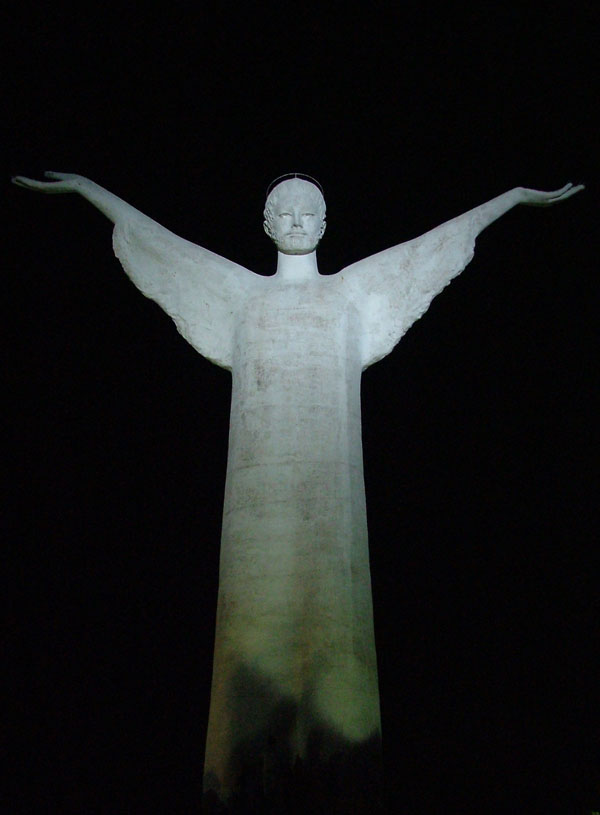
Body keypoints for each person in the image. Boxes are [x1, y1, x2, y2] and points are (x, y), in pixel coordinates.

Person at [12, 170, 583, 808]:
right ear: (264, 223)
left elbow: (437, 242)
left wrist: (511, 199)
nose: (293, 222)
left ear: (324, 223)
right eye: (281, 213)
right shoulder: (239, 297)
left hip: (335, 508)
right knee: (250, 661)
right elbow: (159, 242)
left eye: (306, 212)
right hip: (255, 513)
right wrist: (89, 190)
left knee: (338, 662)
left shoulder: (352, 297)